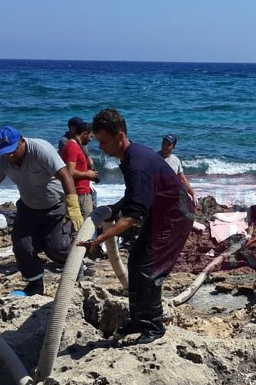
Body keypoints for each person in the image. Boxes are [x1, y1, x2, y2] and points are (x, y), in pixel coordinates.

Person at [80, 108, 194, 344]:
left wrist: (99, 239)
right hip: (160, 211)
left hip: (175, 216)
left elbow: (132, 217)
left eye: (104, 142)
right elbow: (136, 194)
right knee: (136, 261)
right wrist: (117, 207)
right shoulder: (131, 156)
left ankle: (154, 327)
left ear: (120, 137)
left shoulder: (137, 164)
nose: (100, 147)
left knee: (148, 269)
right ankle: (139, 320)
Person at [0, 126, 83, 296]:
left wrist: (73, 208)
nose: (9, 156)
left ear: (22, 142)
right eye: (5, 152)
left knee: (56, 248)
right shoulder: (4, 160)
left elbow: (65, 175)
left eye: (12, 151)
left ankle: (78, 266)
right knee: (22, 247)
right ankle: (35, 285)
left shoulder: (41, 150)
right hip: (28, 208)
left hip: (55, 207)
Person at [61, 121, 98, 217]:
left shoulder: (76, 146)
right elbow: (70, 172)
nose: (91, 139)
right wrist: (88, 174)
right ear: (84, 133)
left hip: (83, 191)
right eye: (91, 136)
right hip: (79, 193)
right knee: (85, 223)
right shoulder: (72, 147)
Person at [158, 133, 196, 204]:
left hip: (170, 194)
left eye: (168, 144)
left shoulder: (176, 161)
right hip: (157, 193)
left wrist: (193, 194)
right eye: (164, 143)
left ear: (173, 147)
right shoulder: (154, 157)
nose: (165, 146)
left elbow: (182, 179)